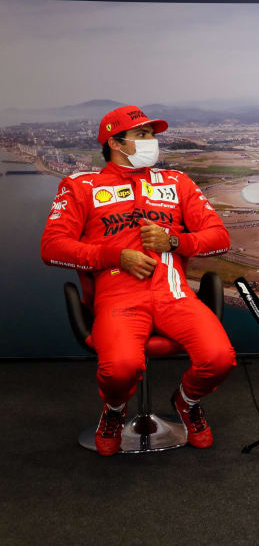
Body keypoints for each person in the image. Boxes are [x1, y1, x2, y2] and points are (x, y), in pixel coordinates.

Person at [41, 105, 236, 455]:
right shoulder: (81, 185)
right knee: (120, 368)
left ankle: (187, 401)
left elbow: (220, 238)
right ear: (116, 143)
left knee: (220, 358)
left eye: (152, 135)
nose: (152, 141)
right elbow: (52, 247)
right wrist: (115, 256)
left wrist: (175, 241)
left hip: (174, 294)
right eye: (143, 135)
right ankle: (115, 409)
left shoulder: (177, 182)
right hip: (119, 298)